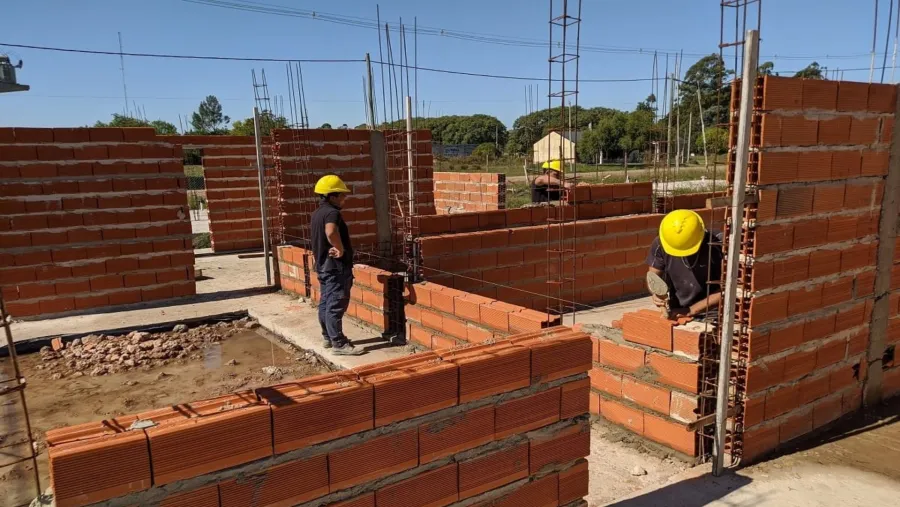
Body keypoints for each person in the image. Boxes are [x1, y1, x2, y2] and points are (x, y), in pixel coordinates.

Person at [310, 174, 364, 355]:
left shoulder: (317, 213)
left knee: (325, 302)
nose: (344, 198)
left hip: (323, 265)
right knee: (336, 303)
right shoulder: (333, 213)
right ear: (331, 196)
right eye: (341, 195)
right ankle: (339, 344)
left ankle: (328, 337)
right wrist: (340, 249)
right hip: (335, 267)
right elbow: (331, 232)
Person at [646, 209, 723, 319]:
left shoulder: (719, 244)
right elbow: (653, 276)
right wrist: (656, 294)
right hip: (677, 309)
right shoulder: (663, 242)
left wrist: (691, 310)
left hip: (713, 310)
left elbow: (730, 290)